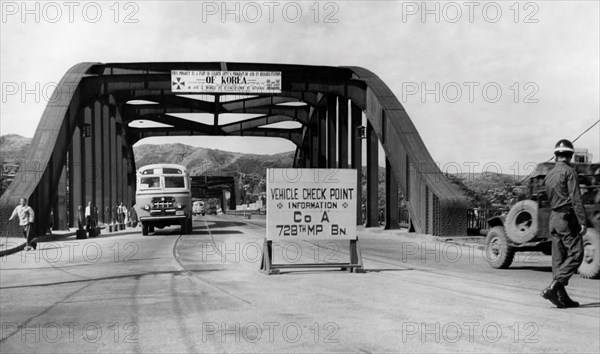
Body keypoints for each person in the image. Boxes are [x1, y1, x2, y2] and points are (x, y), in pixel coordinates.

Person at [541, 139, 587, 308]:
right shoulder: (570, 172)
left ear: (556, 155)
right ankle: (554, 287)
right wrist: (582, 221)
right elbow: (576, 198)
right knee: (577, 254)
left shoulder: (549, 174)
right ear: (570, 155)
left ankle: (562, 296)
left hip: (553, 219)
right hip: (566, 218)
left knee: (558, 259)